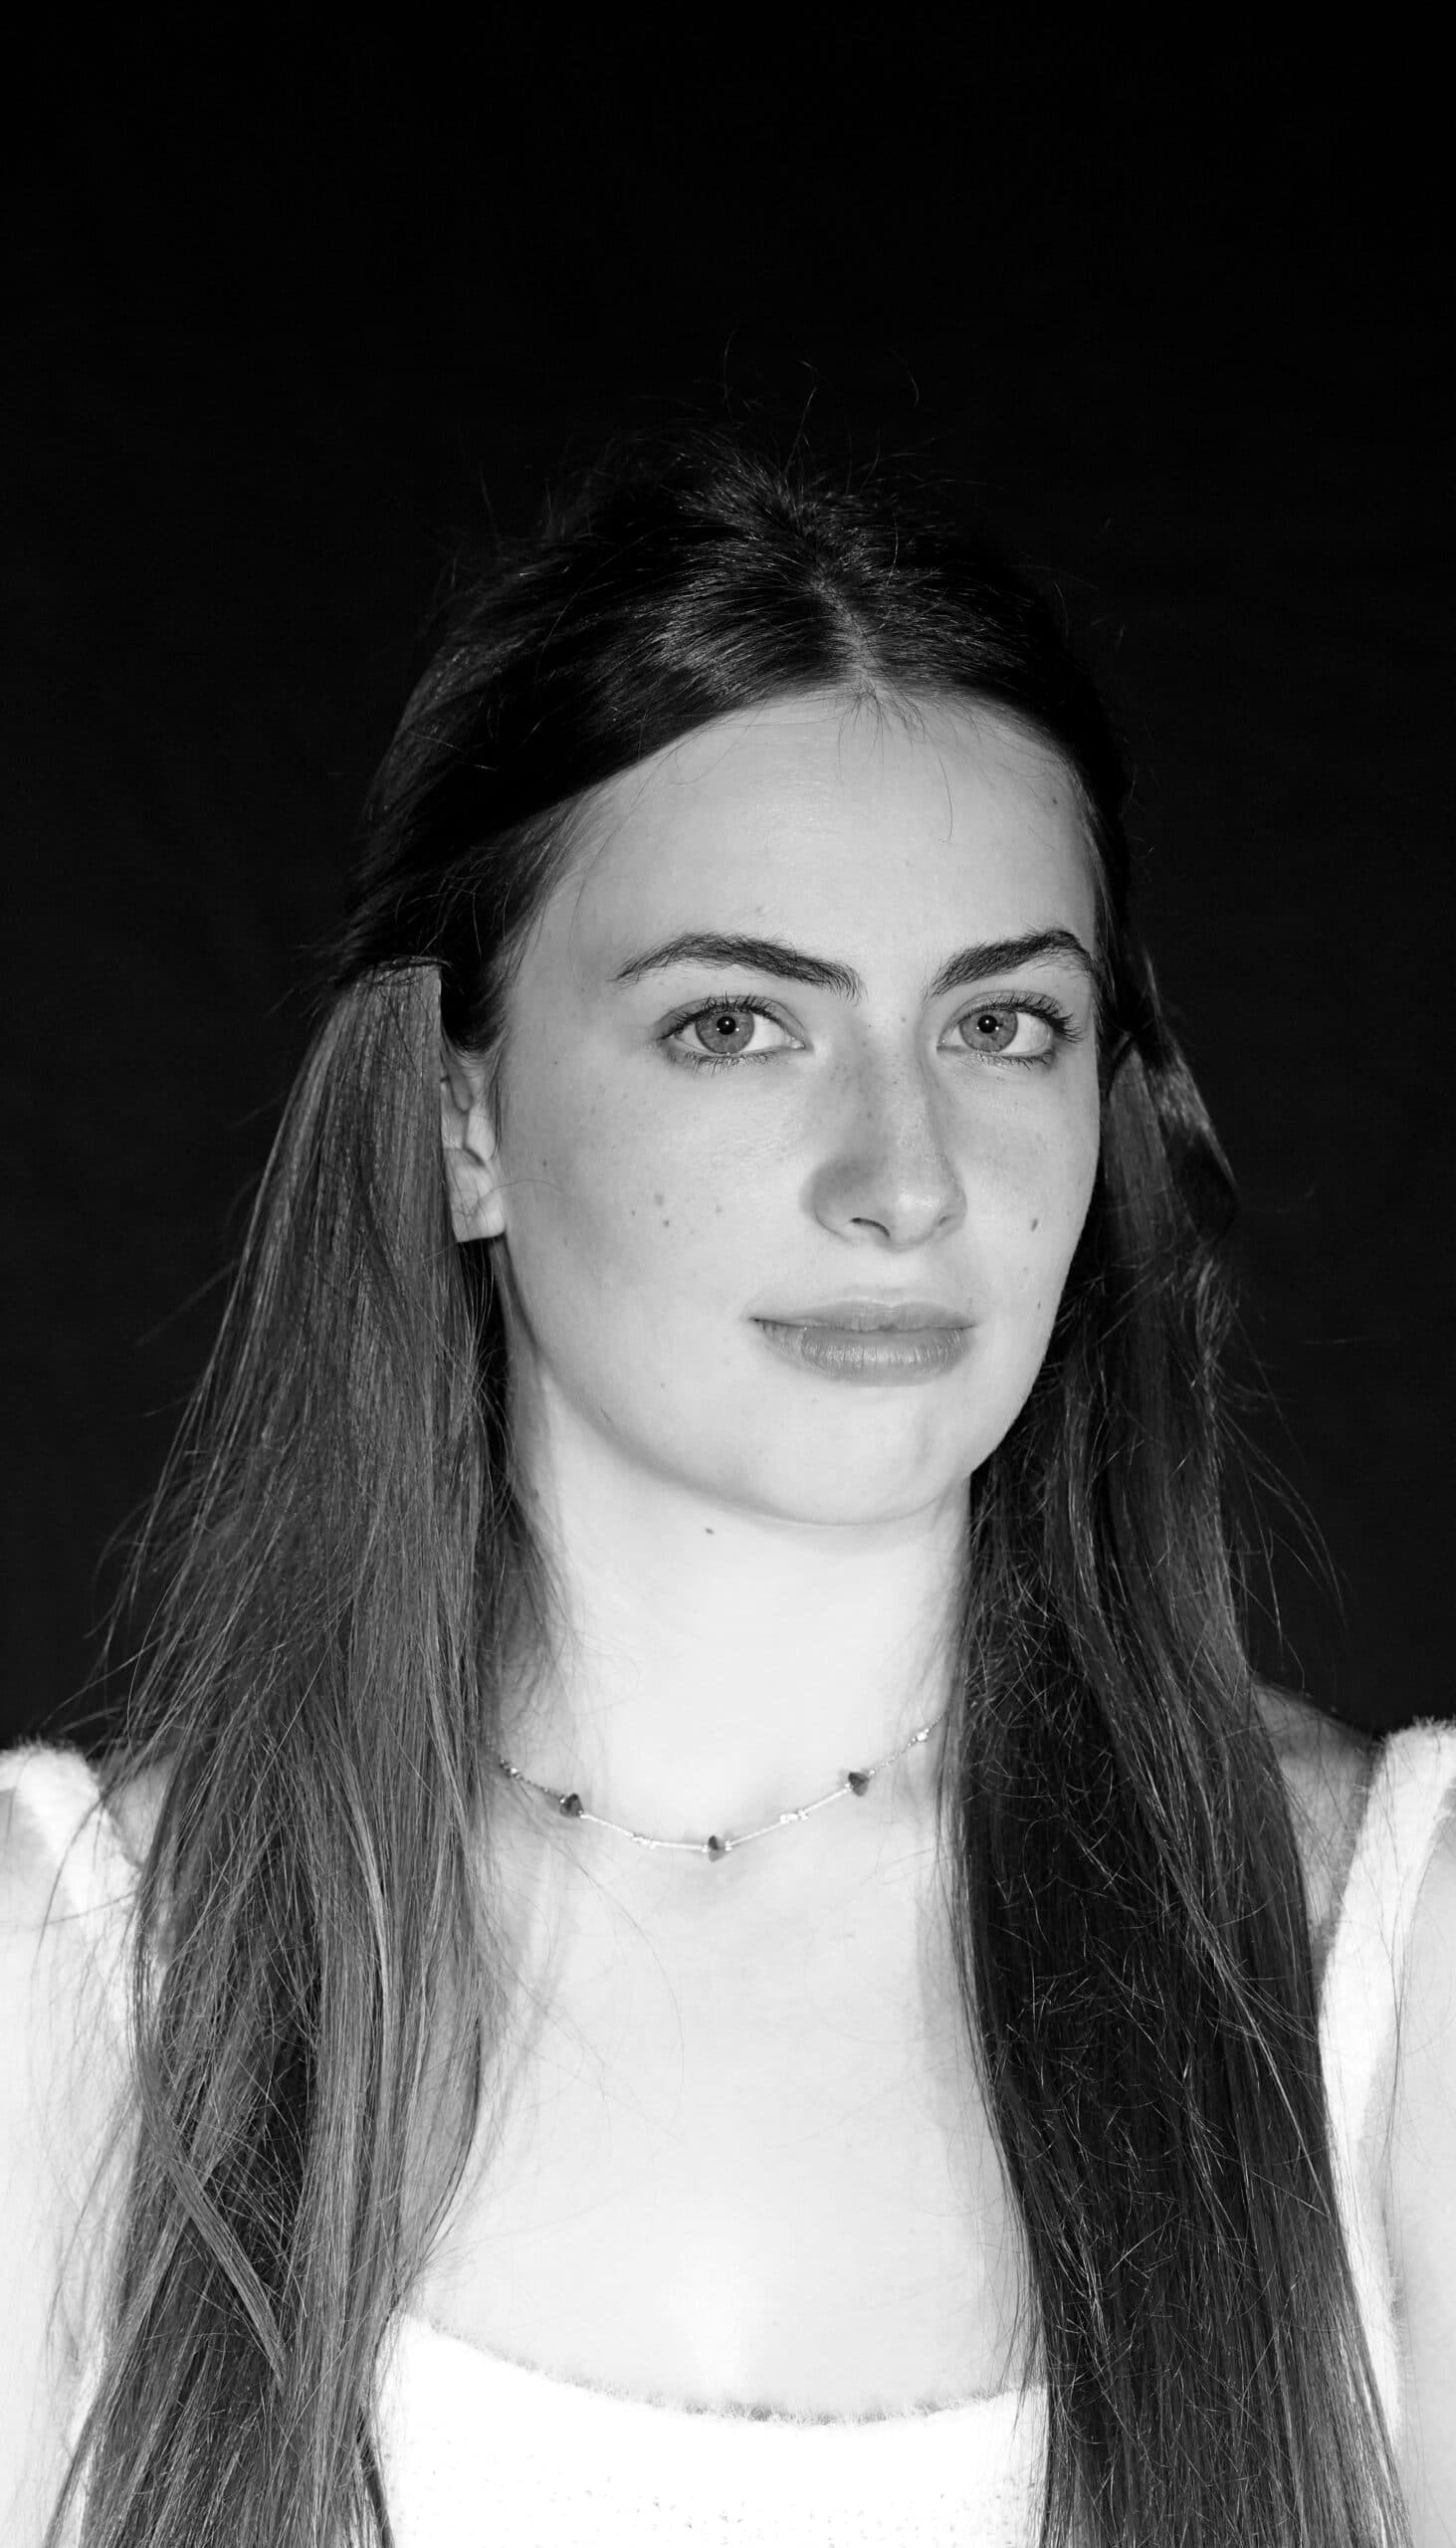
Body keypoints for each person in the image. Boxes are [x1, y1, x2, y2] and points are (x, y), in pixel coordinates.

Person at [2, 422, 1452, 2548]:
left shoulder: (1393, 1963)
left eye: (1003, 1027)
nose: (903, 1178)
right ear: (465, 1123)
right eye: (735, 1027)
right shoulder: (75, 1978)